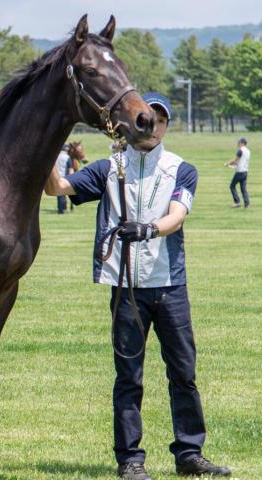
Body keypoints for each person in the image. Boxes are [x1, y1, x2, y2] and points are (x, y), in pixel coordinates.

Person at [46, 93, 231, 480]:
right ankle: (130, 460)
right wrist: (49, 146)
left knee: (184, 373)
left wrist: (147, 229)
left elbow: (177, 216)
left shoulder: (181, 169)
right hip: (125, 288)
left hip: (169, 286)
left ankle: (189, 453)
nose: (153, 125)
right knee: (128, 377)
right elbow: (58, 188)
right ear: (134, 122)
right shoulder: (109, 167)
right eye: (148, 118)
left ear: (165, 126)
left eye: (160, 119)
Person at [224, 137, 250, 208]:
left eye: (239, 142)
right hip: (245, 171)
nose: (237, 144)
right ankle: (247, 204)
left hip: (239, 172)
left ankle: (237, 202)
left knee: (232, 186)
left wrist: (228, 164)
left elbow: (236, 161)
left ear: (242, 143)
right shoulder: (248, 151)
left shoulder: (240, 151)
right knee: (243, 188)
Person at [47, 144, 74, 214]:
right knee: (65, 193)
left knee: (59, 194)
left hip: (56, 176)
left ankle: (60, 209)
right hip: (64, 177)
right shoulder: (67, 157)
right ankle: (62, 210)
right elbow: (70, 168)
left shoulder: (56, 157)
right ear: (66, 150)